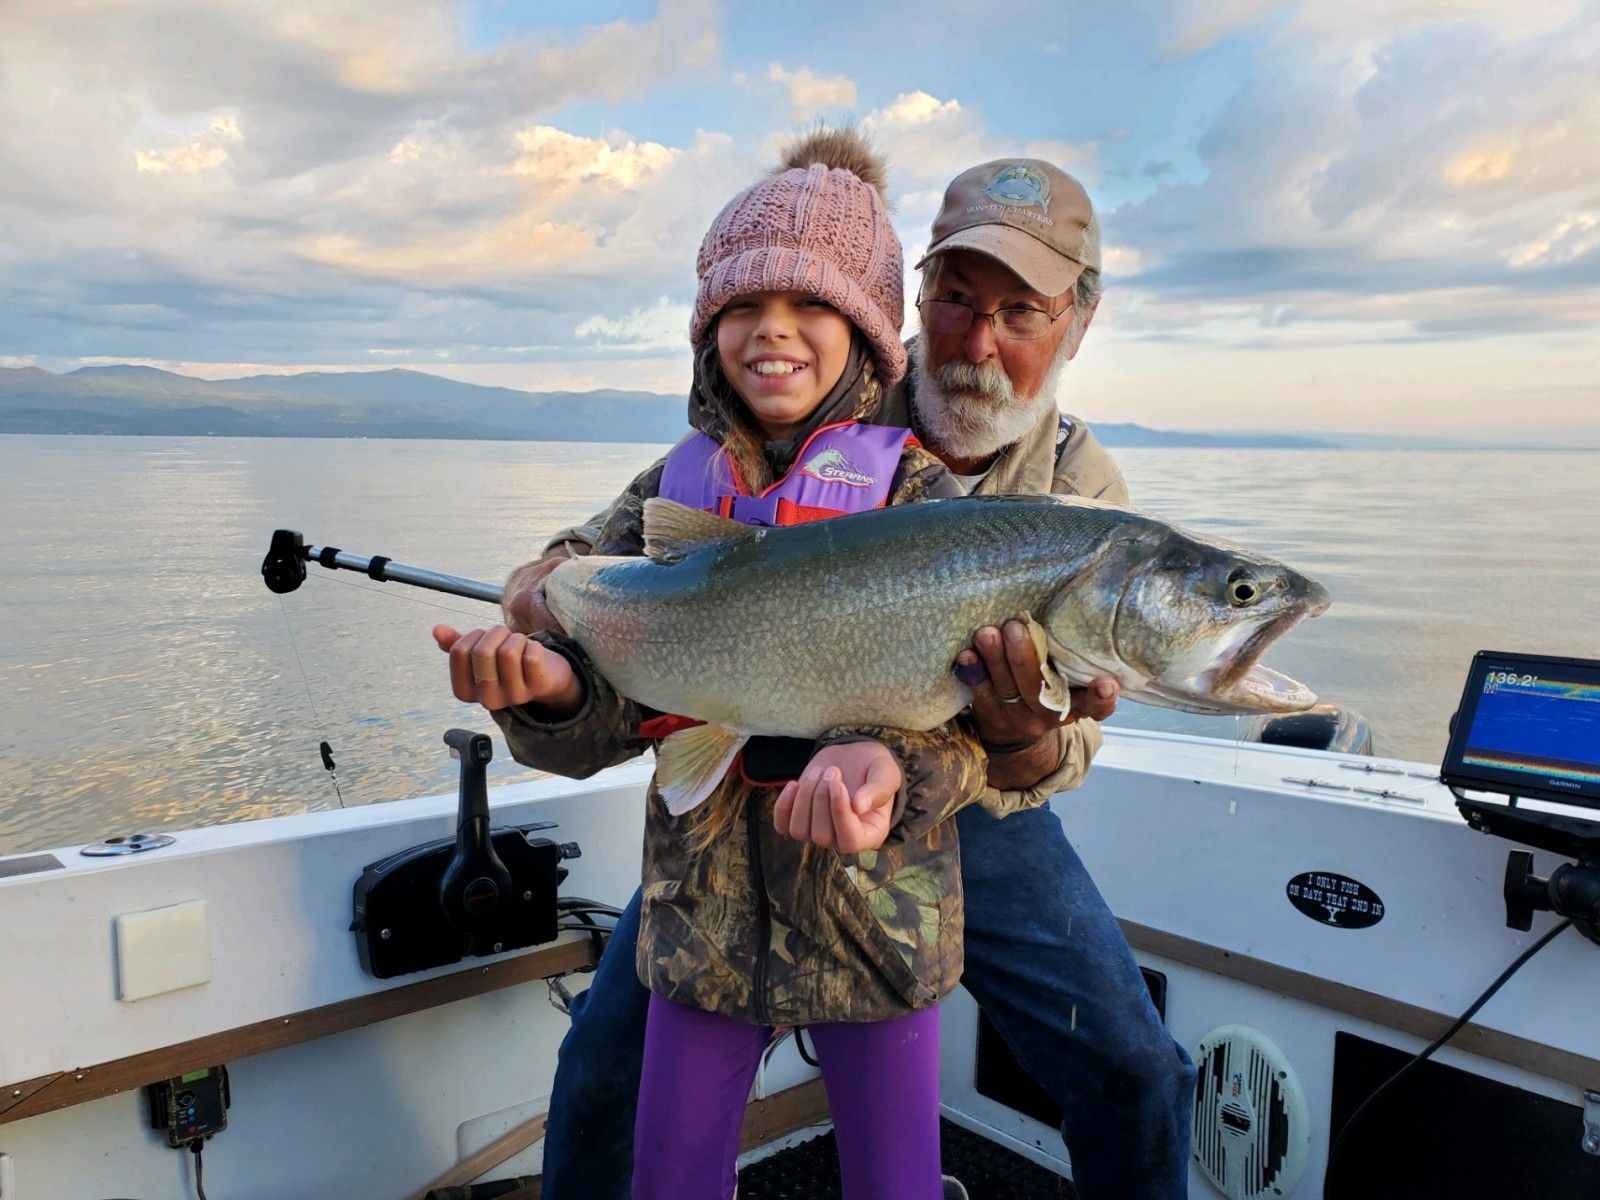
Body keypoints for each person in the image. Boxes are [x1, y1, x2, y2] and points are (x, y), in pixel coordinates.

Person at [507, 157, 1195, 1200]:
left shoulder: (1085, 493)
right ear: (907, 299)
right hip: (751, 787)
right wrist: (552, 574)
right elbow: (661, 526)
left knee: (1135, 1065)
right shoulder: (827, 374)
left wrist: (1020, 733)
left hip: (967, 794)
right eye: (956, 299)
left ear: (1078, 319)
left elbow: (1065, 746)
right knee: (605, 1064)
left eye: (1021, 310)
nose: (978, 339)